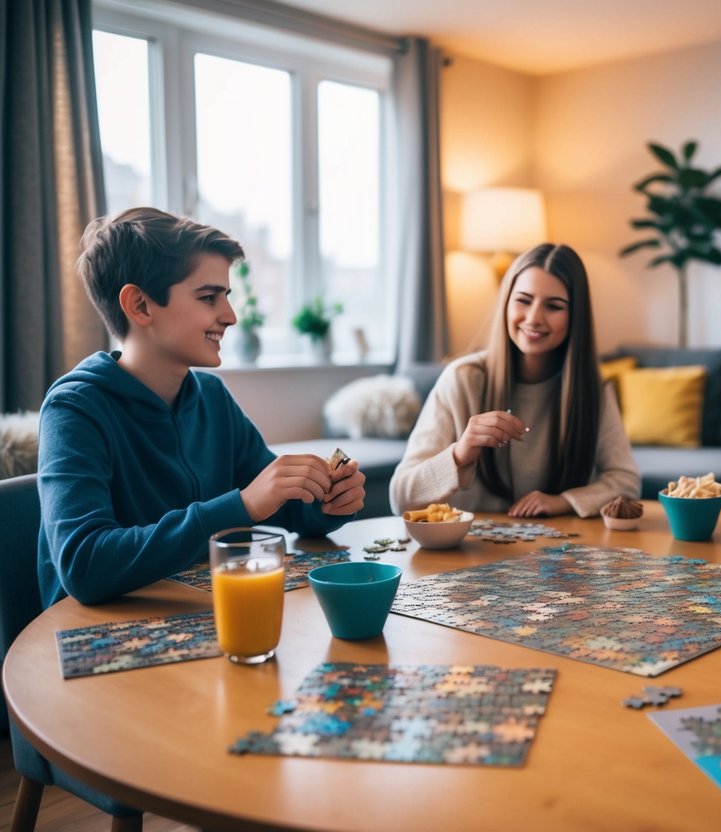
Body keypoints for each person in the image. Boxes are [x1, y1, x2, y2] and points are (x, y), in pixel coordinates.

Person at [37, 207, 366, 606]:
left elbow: (286, 510)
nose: (229, 316)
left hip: (205, 617)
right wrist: (241, 505)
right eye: (209, 297)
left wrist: (329, 501)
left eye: (225, 296)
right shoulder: (74, 409)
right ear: (140, 306)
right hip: (97, 640)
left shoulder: (212, 397)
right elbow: (83, 564)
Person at [390, 243, 639, 518]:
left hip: (559, 552)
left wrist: (563, 501)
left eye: (554, 306)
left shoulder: (593, 389)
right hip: (470, 549)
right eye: (523, 300)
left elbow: (626, 481)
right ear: (506, 303)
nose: (533, 318)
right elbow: (400, 498)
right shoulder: (463, 379)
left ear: (575, 317)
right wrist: (459, 455)